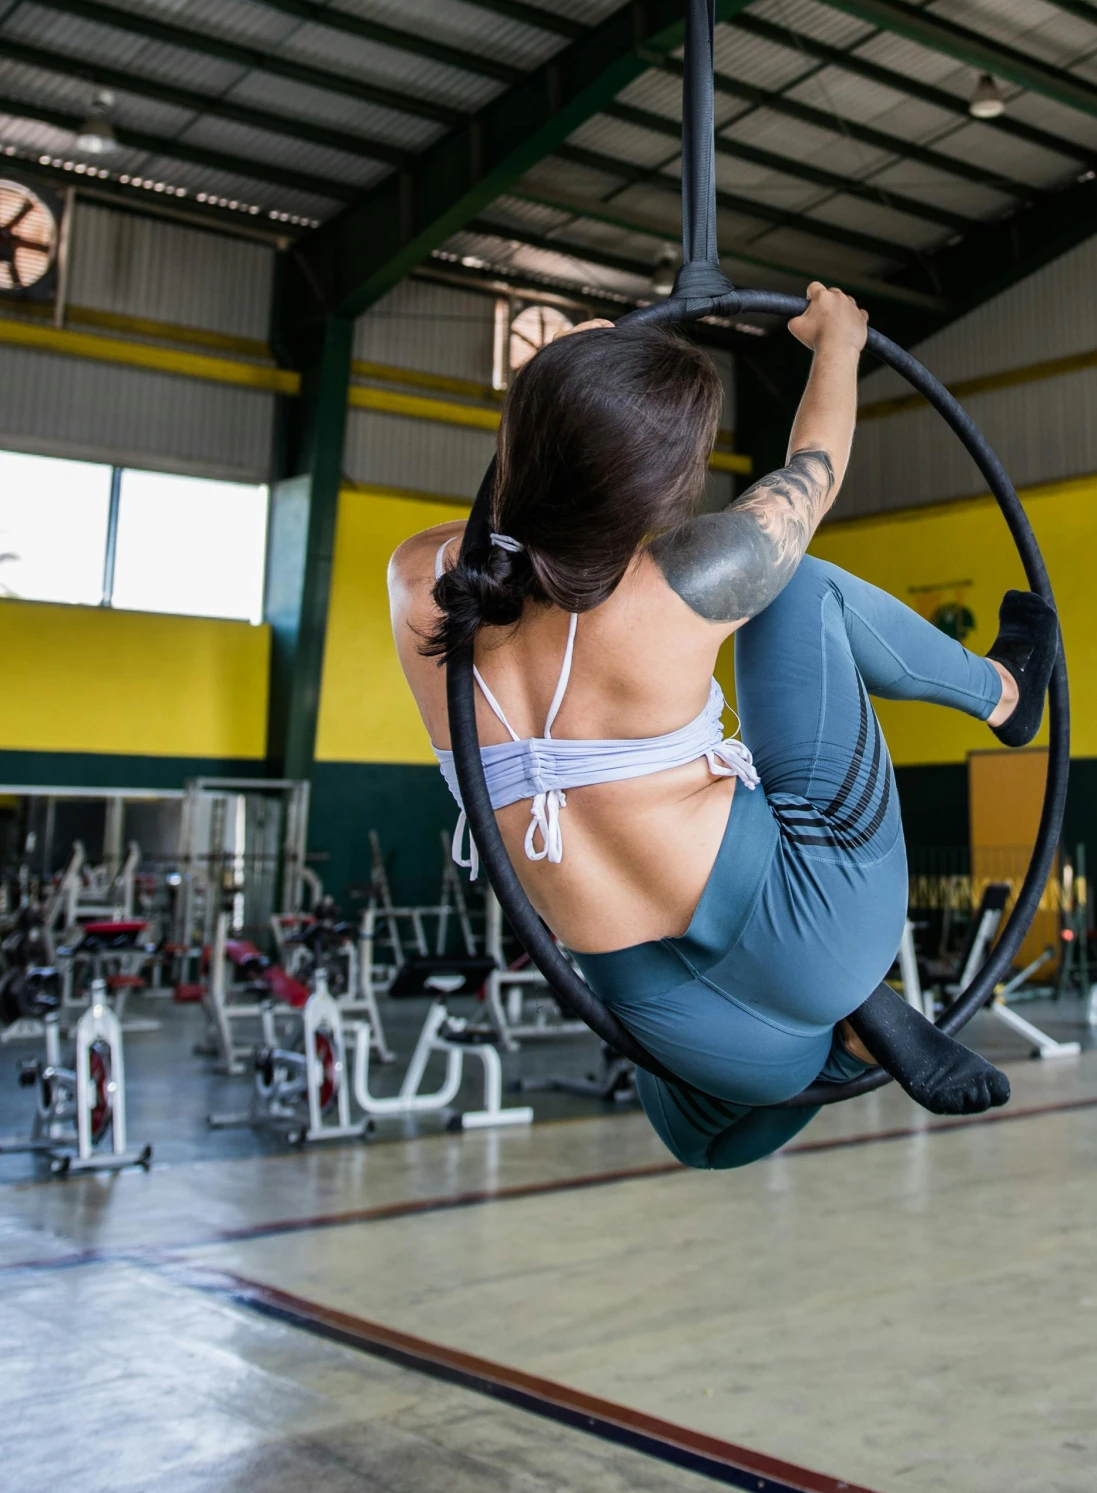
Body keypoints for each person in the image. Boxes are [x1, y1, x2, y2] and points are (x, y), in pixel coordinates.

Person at [388, 283, 1058, 1170]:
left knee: (704, 1139)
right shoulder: (683, 581)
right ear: (658, 491)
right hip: (814, 923)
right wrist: (836, 346)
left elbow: (515, 509)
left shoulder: (415, 582)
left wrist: (567, 388)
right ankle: (1005, 696)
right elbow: (813, 464)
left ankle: (843, 1043)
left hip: (681, 1026)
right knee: (799, 588)